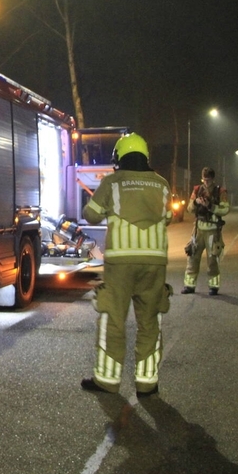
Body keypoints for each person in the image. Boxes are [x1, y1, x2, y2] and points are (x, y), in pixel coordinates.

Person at [80, 132, 173, 397]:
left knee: (114, 319)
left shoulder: (112, 182)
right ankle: (147, 382)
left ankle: (107, 380)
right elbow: (167, 216)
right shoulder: (162, 184)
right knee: (150, 321)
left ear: (119, 157)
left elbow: (92, 215)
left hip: (121, 262)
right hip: (154, 263)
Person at [182, 167, 230, 296]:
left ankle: (213, 286)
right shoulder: (197, 190)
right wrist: (197, 203)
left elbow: (225, 209)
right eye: (204, 179)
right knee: (192, 257)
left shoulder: (220, 191)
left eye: (208, 180)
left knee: (212, 259)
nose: (206, 182)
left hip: (212, 230)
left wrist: (210, 206)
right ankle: (189, 285)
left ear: (212, 179)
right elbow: (189, 208)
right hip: (198, 229)